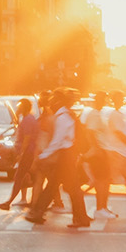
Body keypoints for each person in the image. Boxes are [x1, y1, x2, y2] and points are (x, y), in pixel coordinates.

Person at [26, 89, 91, 228]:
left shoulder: (63, 117)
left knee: (68, 188)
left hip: (66, 156)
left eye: (53, 100)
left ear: (59, 101)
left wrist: (44, 155)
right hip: (66, 155)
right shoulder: (64, 115)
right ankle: (38, 212)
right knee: (55, 186)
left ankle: (81, 218)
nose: (50, 102)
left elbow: (58, 140)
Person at [0, 98, 40, 211]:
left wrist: (21, 154)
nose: (18, 108)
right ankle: (28, 200)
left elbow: (27, 138)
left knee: (19, 177)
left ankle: (9, 202)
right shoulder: (27, 118)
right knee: (26, 177)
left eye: (20, 106)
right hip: (28, 152)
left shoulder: (27, 120)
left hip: (27, 153)